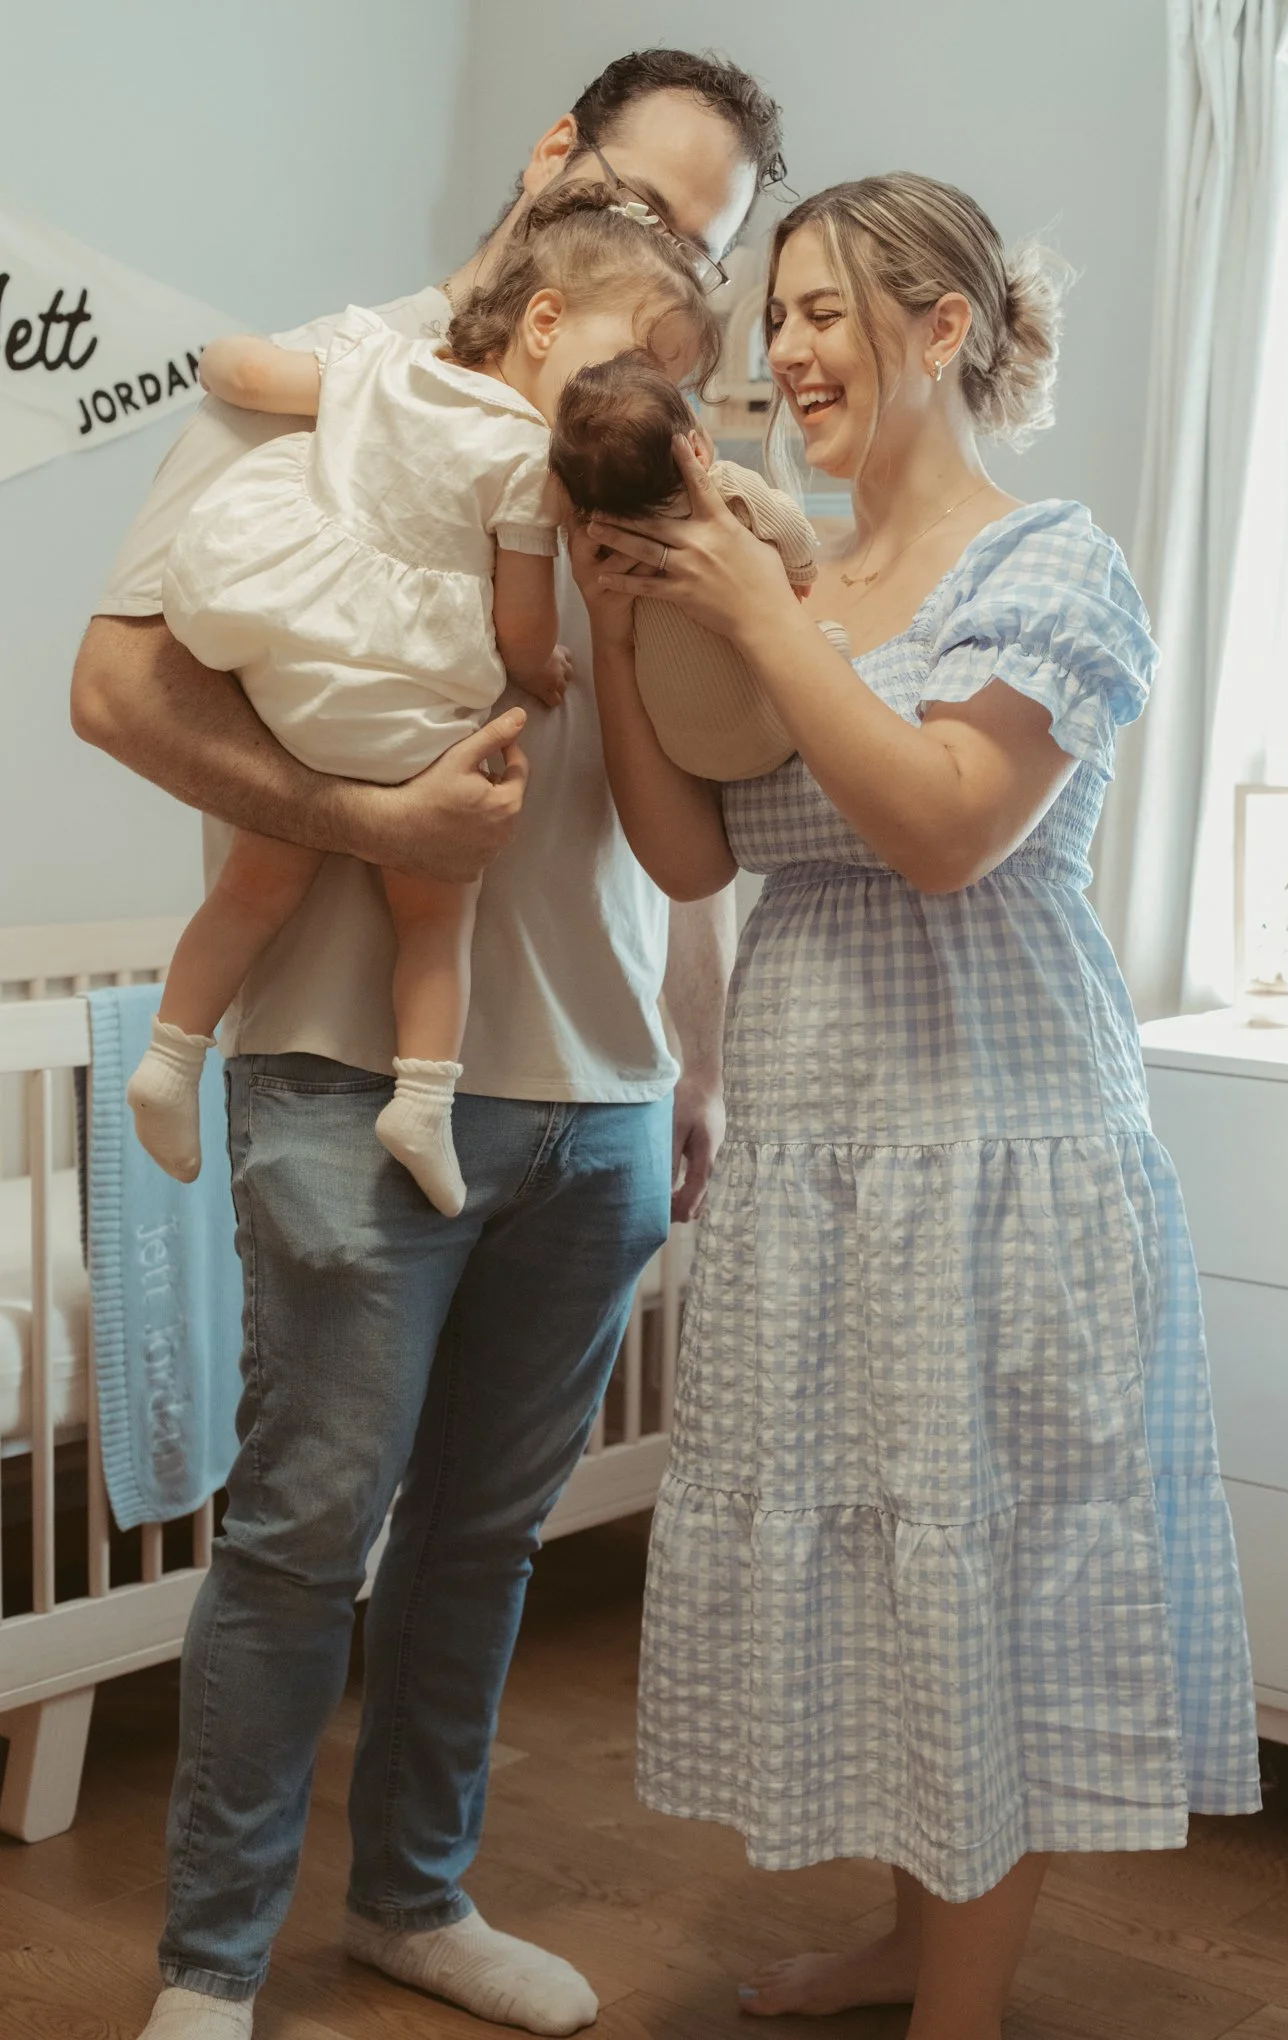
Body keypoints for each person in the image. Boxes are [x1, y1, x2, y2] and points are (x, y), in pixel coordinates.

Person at [70, 48, 784, 2040]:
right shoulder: (330, 374)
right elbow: (113, 691)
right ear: (554, 162)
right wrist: (378, 832)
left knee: (482, 1539)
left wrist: (697, 1068)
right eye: (641, 206)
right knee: (304, 1532)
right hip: (333, 1061)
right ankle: (210, 1962)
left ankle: (414, 1896)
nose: (666, 257)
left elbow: (696, 787)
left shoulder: (661, 422)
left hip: (601, 1092)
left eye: (703, 243)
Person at [571, 171, 1261, 2040]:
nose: (785, 352)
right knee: (882, 1549)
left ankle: (961, 2007)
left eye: (824, 310)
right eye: (773, 316)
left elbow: (947, 828)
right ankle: (909, 1939)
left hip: (995, 1138)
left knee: (985, 1559)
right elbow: (690, 851)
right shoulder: (790, 571)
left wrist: (755, 599)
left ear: (945, 328)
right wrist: (625, 617)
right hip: (818, 1132)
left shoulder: (1055, 562)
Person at [129, 190, 718, 1218]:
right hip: (406, 728)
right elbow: (519, 626)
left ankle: (170, 1058)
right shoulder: (530, 467)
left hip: (299, 689)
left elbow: (244, 370)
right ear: (542, 322)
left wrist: (223, 364)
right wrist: (541, 676)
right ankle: (421, 1102)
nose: (642, 404)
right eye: (634, 367)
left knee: (253, 889)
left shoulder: (380, 365)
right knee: (437, 910)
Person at [547, 348, 851, 780]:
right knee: (831, 637)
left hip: (684, 754)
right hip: (775, 729)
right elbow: (792, 528)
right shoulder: (727, 487)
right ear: (696, 449)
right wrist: (801, 572)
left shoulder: (603, 544)